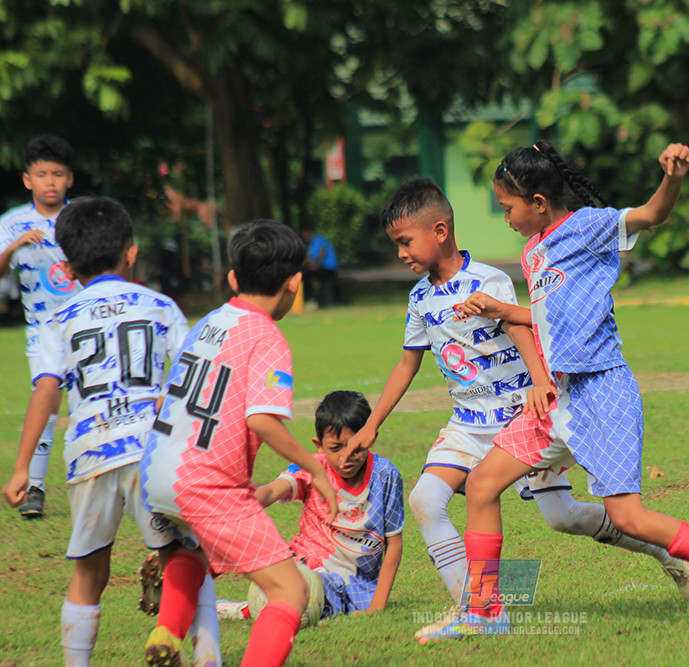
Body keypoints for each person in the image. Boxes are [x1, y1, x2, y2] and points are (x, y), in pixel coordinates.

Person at [416, 141, 689, 642]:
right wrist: (504, 311)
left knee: (630, 517)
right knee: (481, 486)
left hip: (602, 390)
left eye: (507, 207)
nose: (506, 217)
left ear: (538, 202)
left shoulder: (587, 225)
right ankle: (486, 611)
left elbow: (652, 213)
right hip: (555, 396)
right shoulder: (532, 251)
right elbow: (549, 318)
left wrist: (672, 177)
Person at [347, 178, 689, 633]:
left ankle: (663, 553)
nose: (401, 254)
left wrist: (540, 383)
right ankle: (476, 609)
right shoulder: (419, 298)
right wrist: (373, 424)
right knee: (425, 501)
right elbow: (406, 365)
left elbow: (523, 329)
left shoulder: (490, 281)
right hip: (468, 423)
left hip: (519, 416)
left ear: (439, 231)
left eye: (404, 242)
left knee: (564, 517)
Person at [0, 197, 212, 666]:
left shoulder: (61, 317)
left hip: (90, 452)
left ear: (69, 266)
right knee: (187, 555)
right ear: (131, 252)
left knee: (88, 574)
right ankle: (205, 657)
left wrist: (21, 469)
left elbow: (47, 392)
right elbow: (190, 383)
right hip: (152, 449)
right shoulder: (162, 306)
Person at [140, 219, 338, 667]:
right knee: (291, 589)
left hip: (157, 471)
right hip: (207, 484)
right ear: (295, 283)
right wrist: (316, 468)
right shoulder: (267, 336)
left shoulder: (208, 322)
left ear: (233, 278)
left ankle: (166, 634)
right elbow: (264, 421)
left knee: (196, 550)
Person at [216, 390, 404, 622]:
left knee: (303, 594)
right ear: (320, 445)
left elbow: (394, 544)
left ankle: (251, 609)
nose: (346, 457)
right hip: (302, 561)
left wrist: (377, 606)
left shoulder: (385, 475)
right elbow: (273, 490)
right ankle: (246, 605)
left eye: (356, 448)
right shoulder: (313, 468)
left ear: (368, 439)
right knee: (283, 576)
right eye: (336, 448)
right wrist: (238, 505)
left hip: (354, 584)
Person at [0, 134, 80, 518]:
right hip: (42, 329)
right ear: (28, 179)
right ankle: (35, 487)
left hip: (86, 324)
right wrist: (13, 247)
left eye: (58, 174)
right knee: (45, 401)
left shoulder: (81, 217)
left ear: (70, 179)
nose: (51, 181)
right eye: (42, 174)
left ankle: (93, 479)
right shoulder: (12, 222)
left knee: (89, 403)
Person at [301, 226, 344, 306]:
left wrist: (316, 265)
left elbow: (322, 252)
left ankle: (311, 299)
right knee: (305, 275)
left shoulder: (319, 240)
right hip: (321, 268)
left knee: (306, 277)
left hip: (328, 268)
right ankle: (312, 299)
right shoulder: (311, 244)